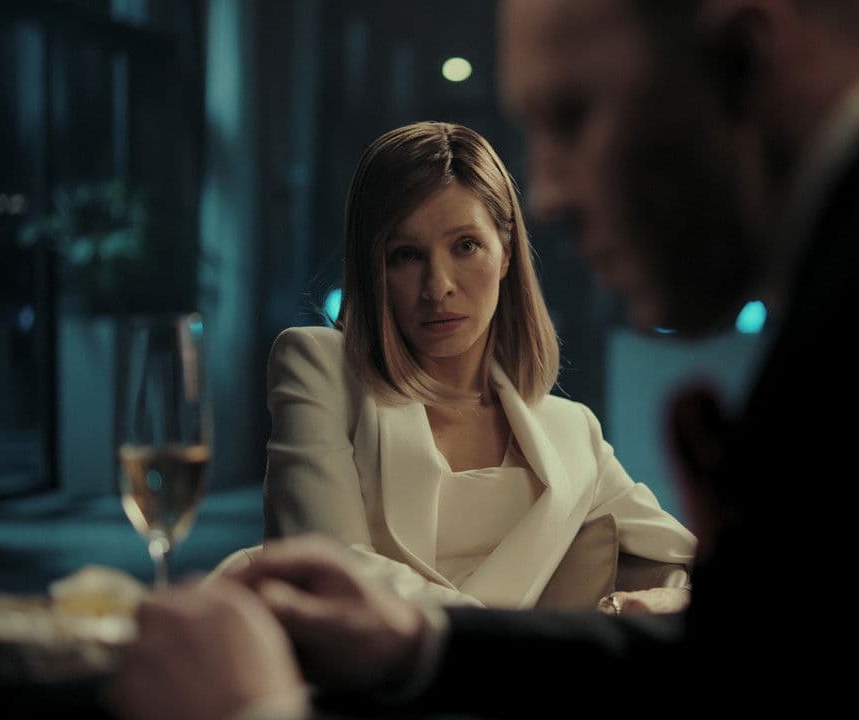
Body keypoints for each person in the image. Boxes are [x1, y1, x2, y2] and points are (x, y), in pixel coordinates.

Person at [113, 1, 859, 717]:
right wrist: (419, 647)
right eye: (404, 255)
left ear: (744, 48)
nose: (550, 195)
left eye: (573, 115)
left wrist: (252, 712)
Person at [252, 121, 695, 611]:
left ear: (506, 252)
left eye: (465, 246)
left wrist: (649, 606)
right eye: (405, 255)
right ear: (372, 267)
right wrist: (513, 640)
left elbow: (695, 564)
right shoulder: (319, 367)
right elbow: (328, 571)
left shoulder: (571, 432)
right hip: (371, 659)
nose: (437, 286)